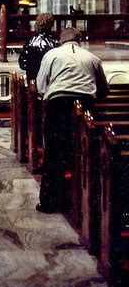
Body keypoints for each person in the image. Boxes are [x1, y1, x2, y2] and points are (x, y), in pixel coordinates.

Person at [35, 26, 109, 213]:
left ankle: (50, 202)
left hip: (58, 105)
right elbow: (103, 89)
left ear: (61, 40)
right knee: (84, 153)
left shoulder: (52, 55)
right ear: (80, 40)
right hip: (85, 107)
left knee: (53, 152)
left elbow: (41, 85)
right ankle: (87, 205)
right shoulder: (92, 58)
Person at [18, 12, 60, 80]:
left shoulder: (31, 41)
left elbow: (23, 64)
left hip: (33, 80)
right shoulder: (56, 42)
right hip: (50, 80)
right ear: (51, 25)